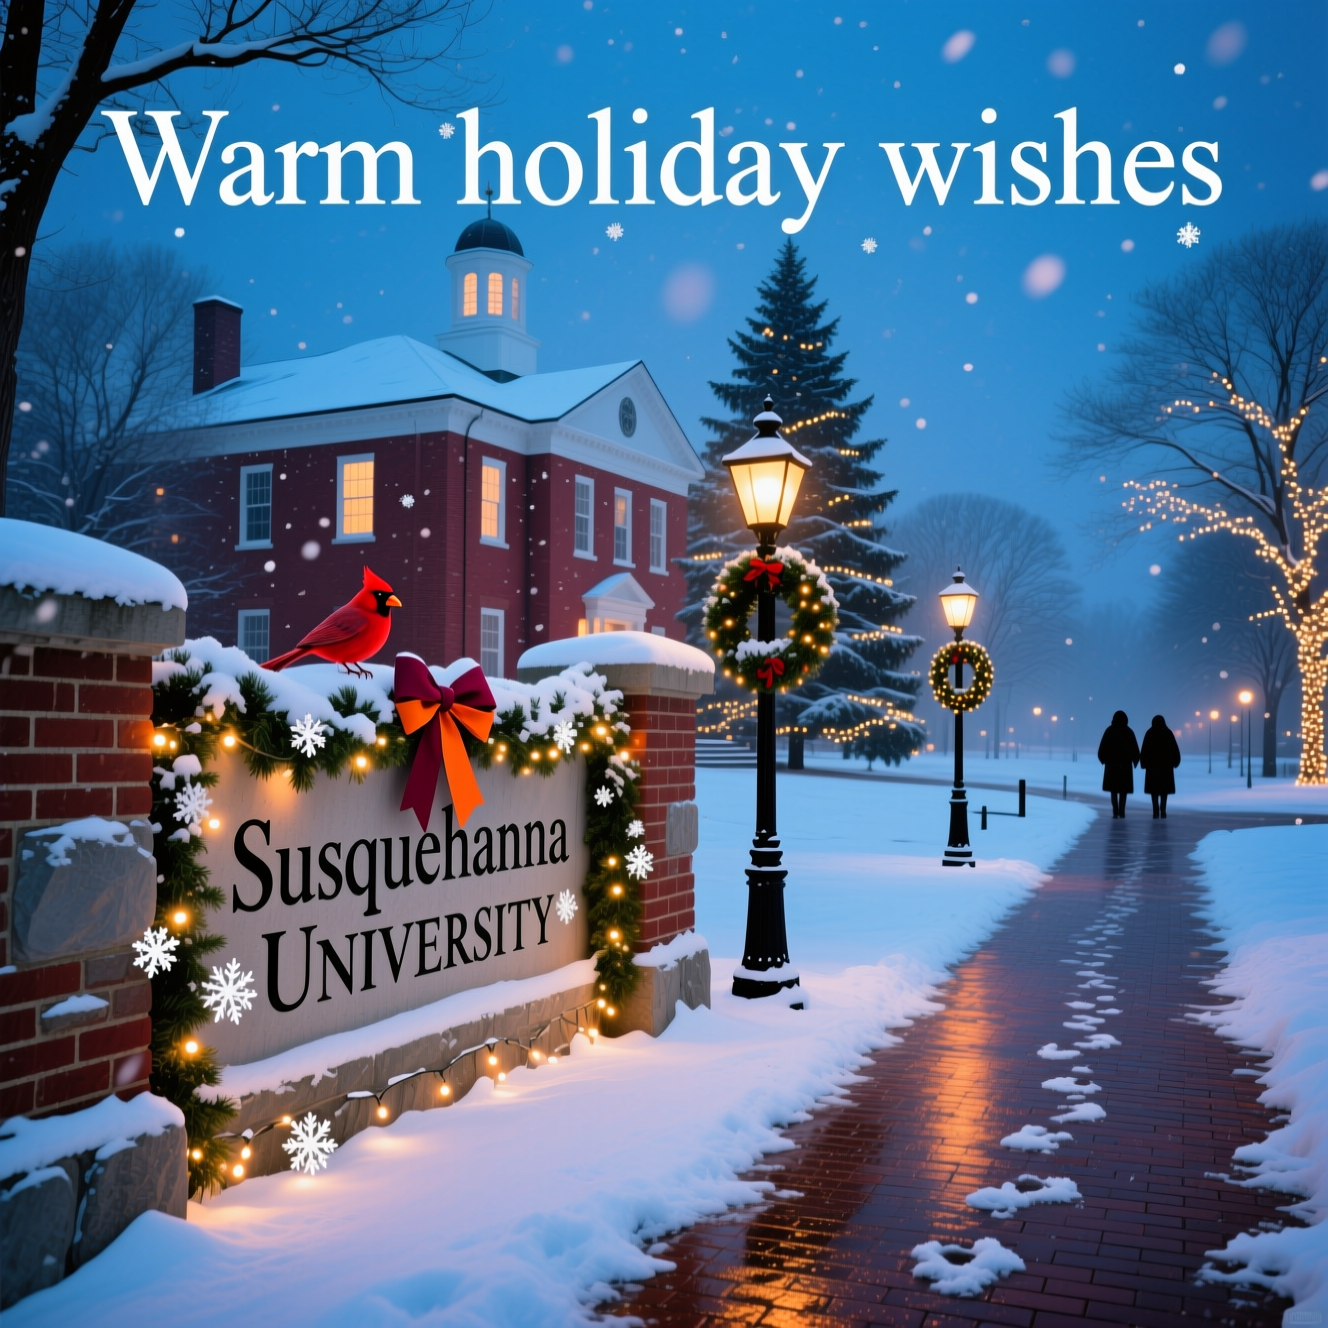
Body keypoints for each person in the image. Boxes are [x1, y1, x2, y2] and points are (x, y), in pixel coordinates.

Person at [1098, 710, 1140, 819]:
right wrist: (1135, 761)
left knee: (1113, 791)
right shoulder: (1129, 732)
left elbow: (1102, 749)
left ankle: (1115, 811)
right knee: (1123, 791)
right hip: (1125, 767)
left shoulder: (1109, 731)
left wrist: (1104, 760)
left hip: (1111, 766)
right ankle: (1122, 811)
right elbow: (1135, 750)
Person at [1139, 714, 1182, 818]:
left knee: (1154, 791)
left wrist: (1143, 763)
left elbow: (1144, 750)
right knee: (1164, 791)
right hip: (1166, 768)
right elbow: (1175, 749)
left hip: (1152, 767)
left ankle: (1155, 810)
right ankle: (1163, 810)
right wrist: (1175, 762)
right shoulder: (1168, 733)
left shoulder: (1149, 733)